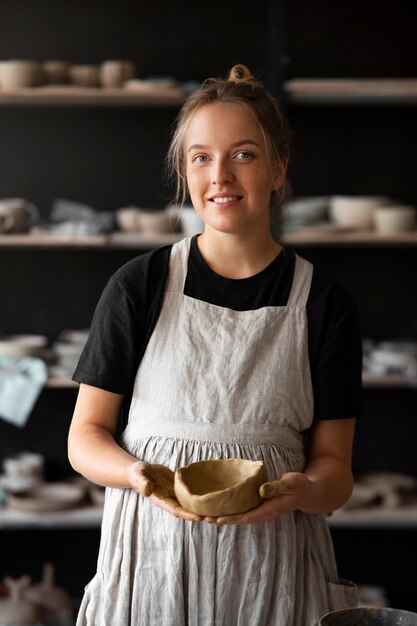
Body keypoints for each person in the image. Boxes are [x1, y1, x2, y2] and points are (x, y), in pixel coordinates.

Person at [68, 64, 362, 626]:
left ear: (278, 168)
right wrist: (138, 476)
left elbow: (335, 472)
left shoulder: (323, 301)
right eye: (201, 157)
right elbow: (85, 437)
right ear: (184, 172)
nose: (220, 176)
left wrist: (301, 491)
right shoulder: (141, 284)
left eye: (244, 154)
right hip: (152, 563)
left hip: (274, 569)